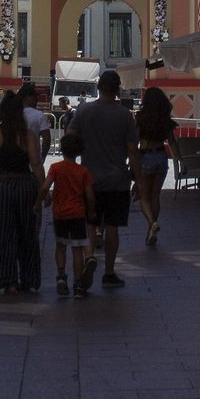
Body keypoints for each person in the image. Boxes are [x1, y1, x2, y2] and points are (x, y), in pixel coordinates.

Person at [69, 69, 142, 288]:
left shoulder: (83, 111)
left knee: (90, 224)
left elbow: (70, 138)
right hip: (117, 180)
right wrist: (138, 180)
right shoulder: (124, 116)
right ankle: (109, 272)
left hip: (89, 178)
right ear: (118, 89)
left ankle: (90, 255)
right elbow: (132, 151)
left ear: (98, 88)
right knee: (112, 226)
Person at [0, 93, 46, 293]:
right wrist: (44, 189)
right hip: (25, 185)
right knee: (27, 234)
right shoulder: (27, 135)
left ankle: (8, 280)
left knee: (1, 234)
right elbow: (36, 164)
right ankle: (29, 279)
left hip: (2, 186)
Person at [37, 132, 97, 297]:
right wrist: (91, 211)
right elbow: (90, 195)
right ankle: (78, 284)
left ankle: (61, 277)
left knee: (61, 246)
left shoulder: (56, 168)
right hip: (78, 213)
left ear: (62, 150)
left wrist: (39, 202)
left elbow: (44, 187)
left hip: (60, 214)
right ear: (79, 152)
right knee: (77, 250)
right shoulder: (83, 172)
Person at [134, 87, 177, 246]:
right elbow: (172, 142)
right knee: (155, 196)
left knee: (143, 196)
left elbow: (135, 139)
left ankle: (152, 223)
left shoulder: (141, 118)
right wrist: (182, 161)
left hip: (146, 157)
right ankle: (151, 229)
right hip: (161, 156)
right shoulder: (165, 119)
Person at [19, 81, 53, 156]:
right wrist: (43, 156)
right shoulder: (39, 115)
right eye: (33, 96)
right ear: (25, 97)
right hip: (33, 159)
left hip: (12, 160)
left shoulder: (11, 113)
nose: (36, 99)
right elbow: (46, 139)